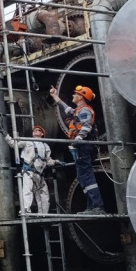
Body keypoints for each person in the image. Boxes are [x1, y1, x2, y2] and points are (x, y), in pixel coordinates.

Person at [50, 84, 105, 214]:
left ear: (81, 97)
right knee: (82, 176)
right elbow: (66, 108)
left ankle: (98, 206)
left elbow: (86, 126)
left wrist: (78, 139)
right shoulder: (77, 111)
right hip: (79, 146)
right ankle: (91, 207)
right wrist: (55, 96)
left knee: (86, 175)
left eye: (76, 94)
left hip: (83, 146)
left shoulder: (85, 110)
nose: (73, 95)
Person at [0, 123, 58, 215]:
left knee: (44, 195)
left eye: (39, 130)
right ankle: (26, 210)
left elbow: (48, 160)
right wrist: (5, 134)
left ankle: (43, 214)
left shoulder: (46, 146)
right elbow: (13, 144)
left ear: (42, 134)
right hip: (29, 172)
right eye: (35, 130)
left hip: (40, 174)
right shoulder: (27, 142)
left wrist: (56, 162)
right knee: (27, 191)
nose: (36, 131)